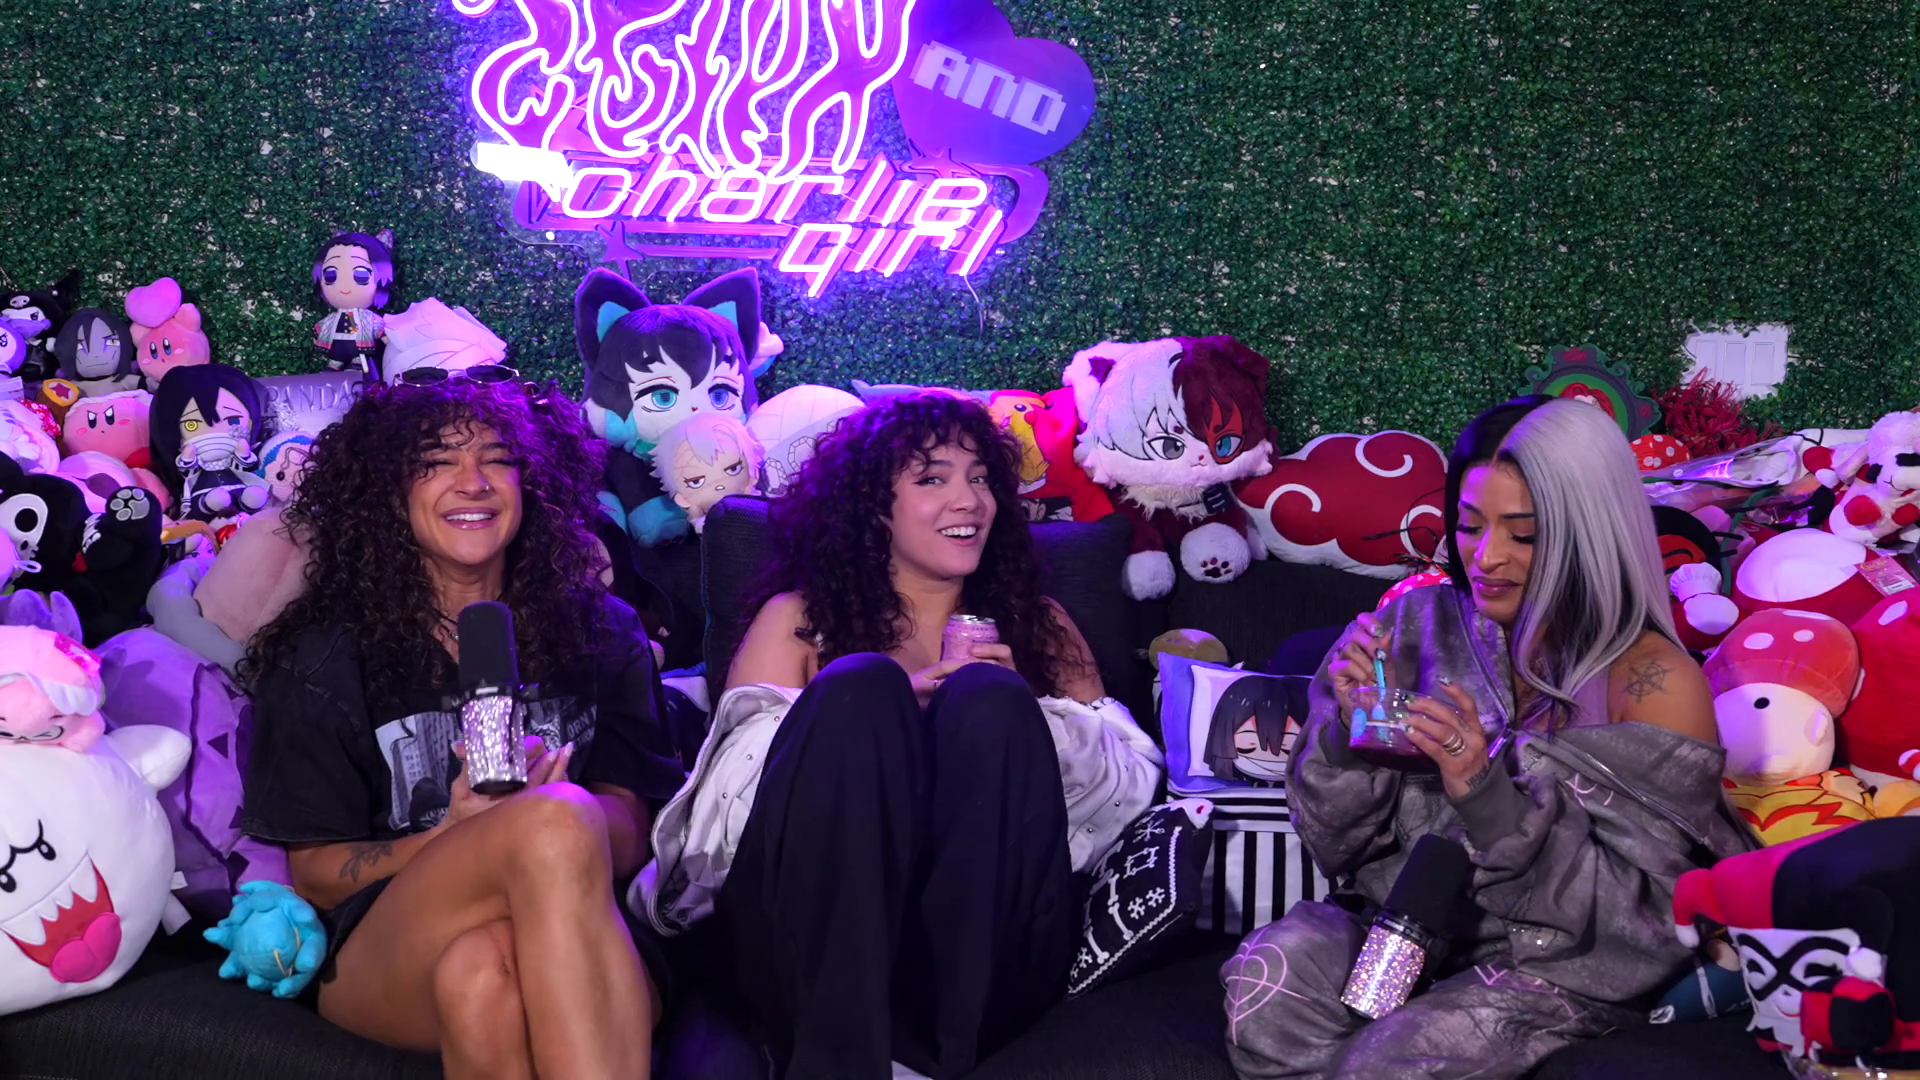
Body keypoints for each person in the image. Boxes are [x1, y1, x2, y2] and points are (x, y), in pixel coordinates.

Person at [632, 393, 1163, 1080]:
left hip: (980, 962)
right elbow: (725, 819)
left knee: (992, 699)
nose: (969, 500)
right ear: (874, 506)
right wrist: (879, 723)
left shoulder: (1041, 624)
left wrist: (1033, 723)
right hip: (810, 944)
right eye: (933, 478)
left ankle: (940, 1059)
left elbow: (1130, 794)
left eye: (980, 478)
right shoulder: (799, 619)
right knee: (862, 687)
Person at [1223, 397, 1754, 1080]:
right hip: (1400, 926)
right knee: (1269, 985)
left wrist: (1484, 793)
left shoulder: (1653, 681)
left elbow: (1643, 928)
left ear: (1591, 533)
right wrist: (1349, 734)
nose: (1487, 557)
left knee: (1393, 1061)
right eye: (1470, 526)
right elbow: (1333, 844)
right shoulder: (1417, 622)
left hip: (1555, 968)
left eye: (1523, 535)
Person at [241, 380, 686, 1080]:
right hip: (388, 951)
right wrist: (455, 833)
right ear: (390, 492)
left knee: (482, 977)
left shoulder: (602, 633)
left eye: (497, 459)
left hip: (578, 939)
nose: (472, 482)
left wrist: (542, 816)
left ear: (531, 484)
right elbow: (320, 877)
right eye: (436, 462)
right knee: (551, 821)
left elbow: (633, 833)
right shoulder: (323, 659)